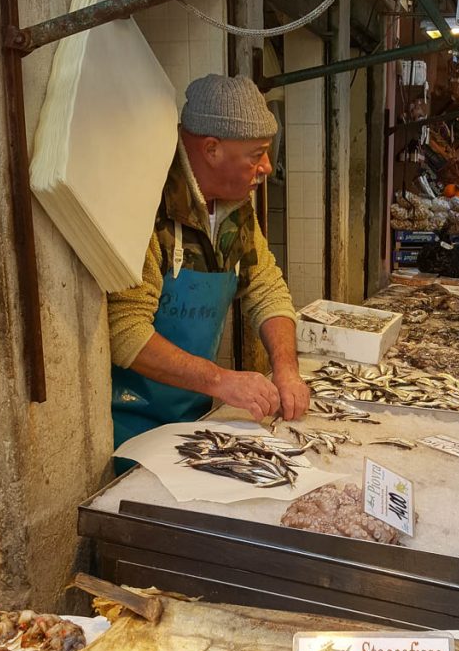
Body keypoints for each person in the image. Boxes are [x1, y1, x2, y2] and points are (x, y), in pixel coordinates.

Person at [108, 74, 309, 448]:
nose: (266, 167)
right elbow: (124, 331)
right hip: (130, 428)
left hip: (191, 418)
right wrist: (222, 381)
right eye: (256, 154)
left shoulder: (236, 211)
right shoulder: (149, 204)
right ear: (212, 149)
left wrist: (286, 368)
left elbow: (266, 288)